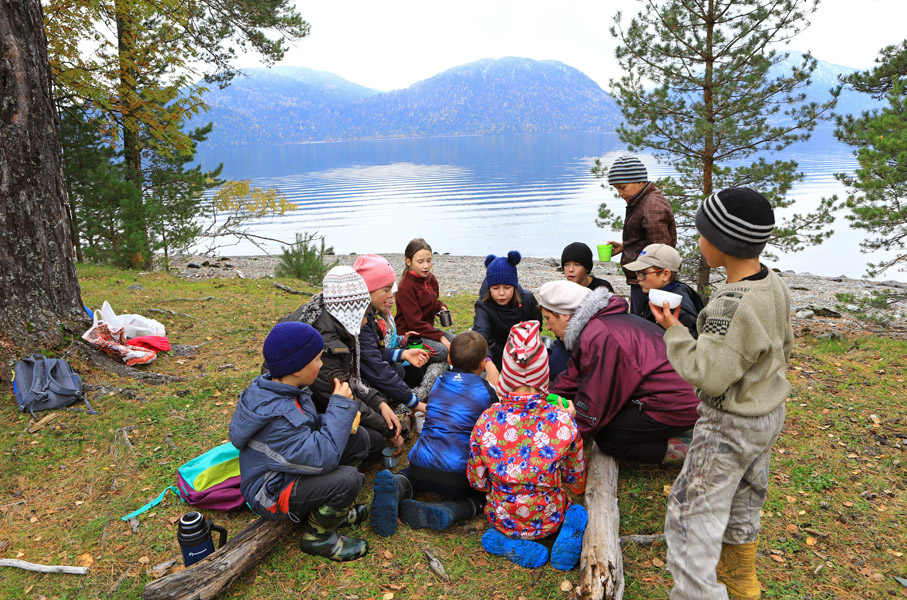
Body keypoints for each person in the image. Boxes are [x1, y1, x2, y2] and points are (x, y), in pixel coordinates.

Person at [650, 187, 792, 600]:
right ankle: (741, 582)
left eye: (702, 233)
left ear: (721, 243)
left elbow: (709, 374)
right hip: (766, 414)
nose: (699, 240)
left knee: (689, 518)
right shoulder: (774, 284)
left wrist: (674, 331)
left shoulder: (732, 304)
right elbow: (784, 345)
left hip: (729, 423)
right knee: (745, 498)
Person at [230, 322, 370, 561]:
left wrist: (341, 420)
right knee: (348, 480)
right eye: (317, 359)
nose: (322, 364)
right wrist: (339, 407)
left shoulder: (286, 387)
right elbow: (324, 457)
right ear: (297, 368)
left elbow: (308, 428)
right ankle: (318, 538)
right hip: (271, 491)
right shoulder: (279, 415)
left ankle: (328, 510)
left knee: (359, 439)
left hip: (290, 467)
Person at [468, 321, 587, 571]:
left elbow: (477, 481)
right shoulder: (563, 421)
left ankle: (507, 542)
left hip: (503, 517)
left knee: (495, 531)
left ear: (506, 376)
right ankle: (562, 536)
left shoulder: (486, 420)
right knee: (576, 511)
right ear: (544, 375)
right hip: (549, 517)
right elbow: (575, 476)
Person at [541, 280, 699, 464]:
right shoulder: (600, 324)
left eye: (548, 319)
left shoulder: (599, 335)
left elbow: (594, 402)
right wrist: (541, 399)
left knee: (609, 436)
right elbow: (574, 376)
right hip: (681, 393)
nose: (548, 327)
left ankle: (695, 451)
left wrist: (558, 441)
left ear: (566, 316)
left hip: (677, 402)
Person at [370, 331, 497, 537]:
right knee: (484, 494)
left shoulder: (439, 382)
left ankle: (398, 484)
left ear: (449, 359)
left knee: (410, 474)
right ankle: (451, 510)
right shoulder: (488, 392)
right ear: (482, 364)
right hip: (458, 479)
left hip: (420, 468)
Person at [267, 266, 403, 457]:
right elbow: (338, 394)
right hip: (298, 412)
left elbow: (350, 378)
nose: (366, 322)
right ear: (350, 313)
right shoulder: (323, 344)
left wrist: (380, 404)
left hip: (313, 397)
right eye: (364, 316)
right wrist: (386, 429)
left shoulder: (333, 318)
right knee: (370, 440)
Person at [352, 254, 430, 413]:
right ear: (368, 291)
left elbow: (373, 351)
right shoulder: (360, 321)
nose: (391, 296)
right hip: (353, 381)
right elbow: (374, 366)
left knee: (398, 369)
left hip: (362, 372)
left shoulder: (369, 313)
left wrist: (403, 354)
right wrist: (415, 403)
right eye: (386, 290)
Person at [605, 155, 677, 316]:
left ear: (639, 181)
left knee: (644, 325)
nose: (619, 193)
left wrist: (652, 284)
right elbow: (647, 240)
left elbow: (661, 251)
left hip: (649, 283)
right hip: (643, 279)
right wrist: (625, 247)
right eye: (616, 188)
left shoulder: (652, 207)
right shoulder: (641, 201)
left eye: (622, 187)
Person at [473, 251, 543, 371]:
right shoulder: (483, 305)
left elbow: (537, 326)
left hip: (526, 349)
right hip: (495, 353)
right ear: (489, 288)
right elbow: (481, 335)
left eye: (507, 287)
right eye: (495, 288)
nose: (501, 293)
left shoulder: (528, 299)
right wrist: (488, 363)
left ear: (514, 286)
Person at [624, 243, 703, 338]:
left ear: (665, 275)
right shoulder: (650, 293)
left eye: (643, 273)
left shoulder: (679, 308)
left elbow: (689, 343)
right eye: (637, 273)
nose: (638, 278)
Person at [395, 238, 453, 362]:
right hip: (411, 335)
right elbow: (415, 323)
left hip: (427, 331)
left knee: (458, 342)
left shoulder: (431, 279)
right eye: (420, 262)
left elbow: (434, 301)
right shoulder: (405, 287)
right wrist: (440, 337)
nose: (426, 266)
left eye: (429, 260)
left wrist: (441, 307)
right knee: (443, 350)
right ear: (408, 261)